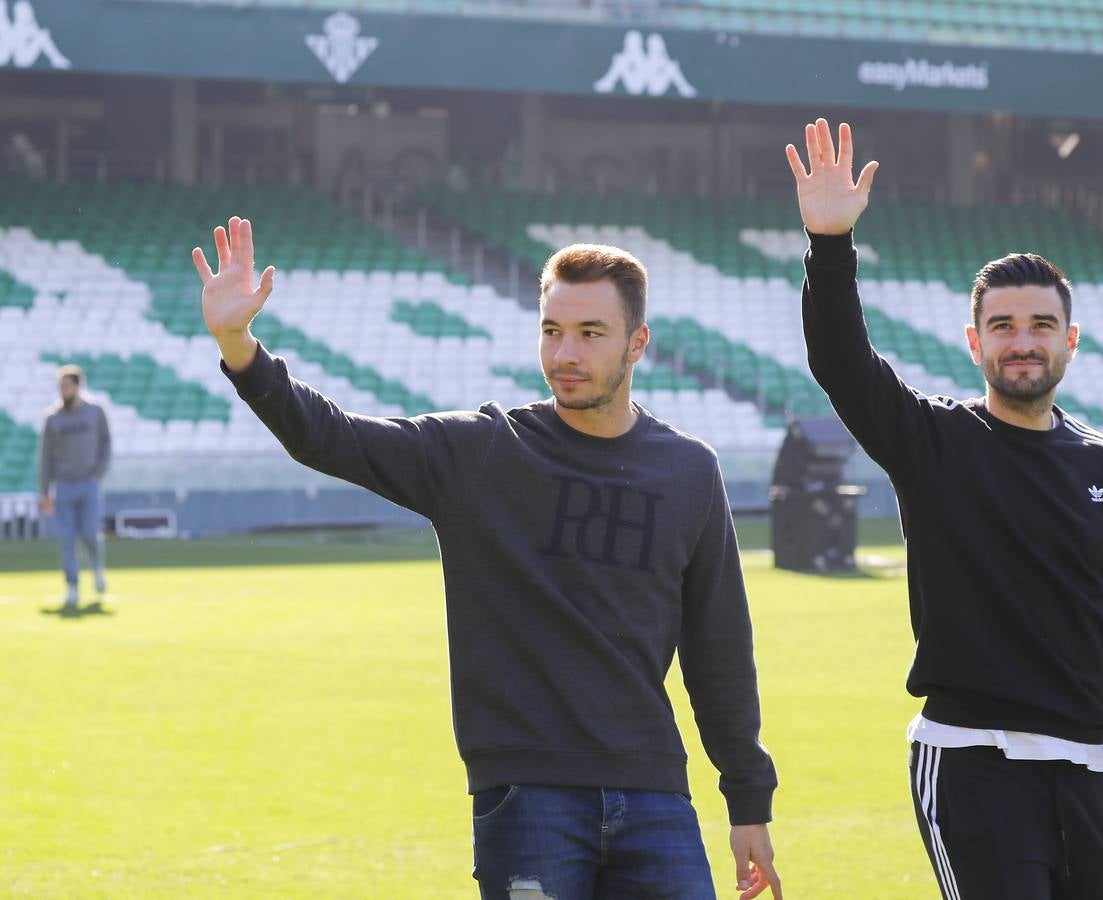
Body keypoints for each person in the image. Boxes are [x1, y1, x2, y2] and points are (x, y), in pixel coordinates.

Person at [191, 217, 781, 900]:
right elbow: (330, 438)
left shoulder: (687, 470)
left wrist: (747, 803)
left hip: (655, 796)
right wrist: (238, 344)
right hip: (527, 799)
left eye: (590, 333)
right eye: (551, 330)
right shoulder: (482, 451)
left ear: (636, 342)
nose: (565, 352)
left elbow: (719, 651)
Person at [786, 119, 1103, 898]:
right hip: (971, 761)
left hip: (1084, 767)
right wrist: (828, 244)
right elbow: (842, 364)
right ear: (973, 342)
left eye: (1039, 326)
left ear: (1070, 340)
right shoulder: (932, 440)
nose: (1021, 342)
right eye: (1002, 327)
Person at [39, 364, 111, 610]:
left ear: (78, 386)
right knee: (67, 539)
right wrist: (44, 491)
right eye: (60, 386)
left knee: (90, 533)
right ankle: (72, 587)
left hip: (88, 484)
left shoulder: (95, 411)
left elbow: (106, 443)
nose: (63, 390)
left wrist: (97, 474)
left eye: (67, 385)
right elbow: (45, 456)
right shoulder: (52, 417)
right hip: (63, 487)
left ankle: (97, 569)